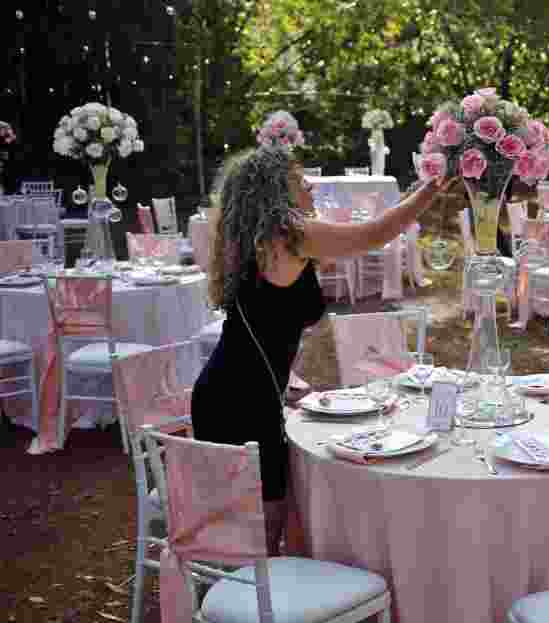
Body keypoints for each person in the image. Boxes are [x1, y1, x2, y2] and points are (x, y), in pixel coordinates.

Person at [191, 145, 452, 554]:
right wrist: (429, 190)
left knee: (261, 526)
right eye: (299, 180)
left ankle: (247, 584)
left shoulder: (265, 239)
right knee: (262, 530)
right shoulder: (287, 234)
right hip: (240, 399)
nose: (310, 185)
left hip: (239, 389)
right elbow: (374, 235)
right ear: (277, 190)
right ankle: (250, 589)